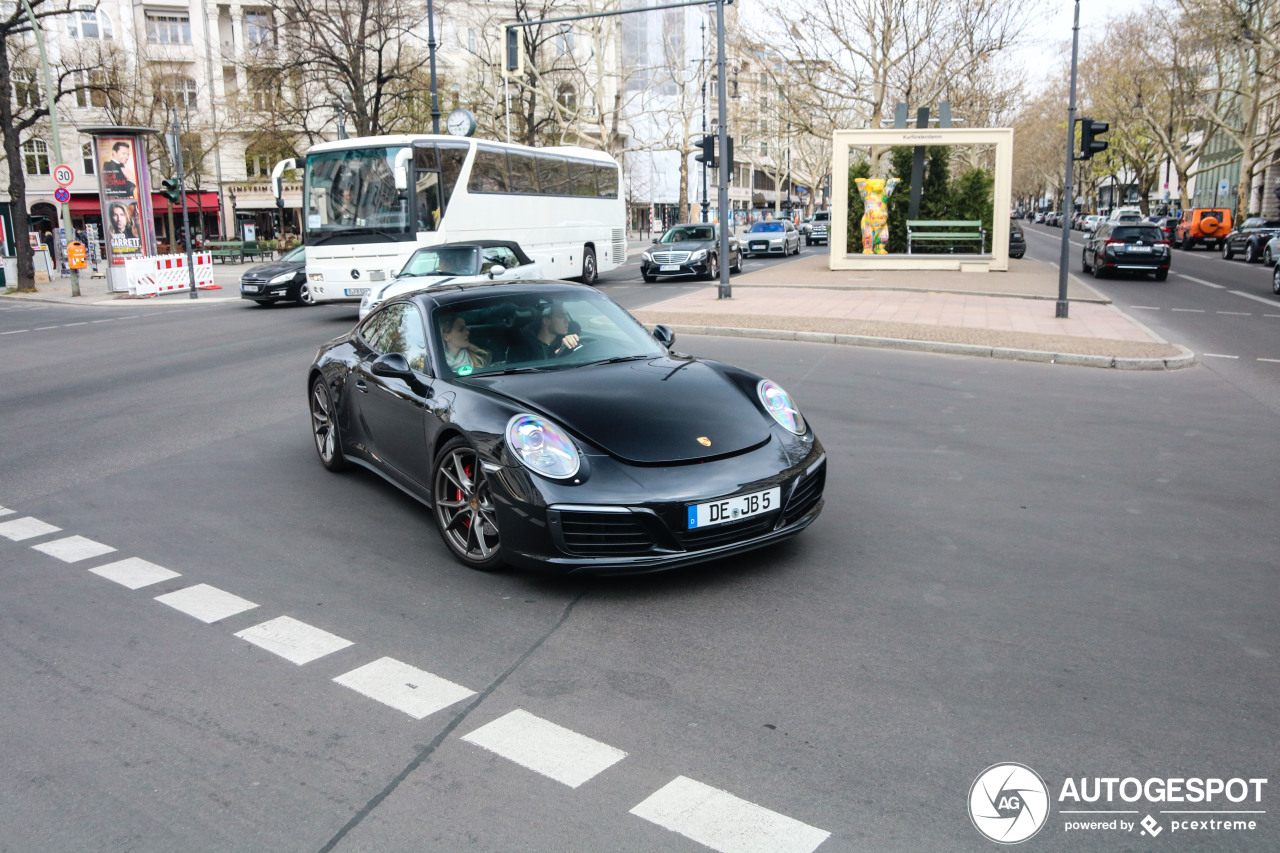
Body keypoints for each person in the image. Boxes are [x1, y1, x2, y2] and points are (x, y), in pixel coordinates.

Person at [516, 301, 581, 361]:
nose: (567, 320)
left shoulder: (566, 342)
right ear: (546, 321)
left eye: (566, 315)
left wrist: (568, 348)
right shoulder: (523, 349)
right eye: (561, 316)